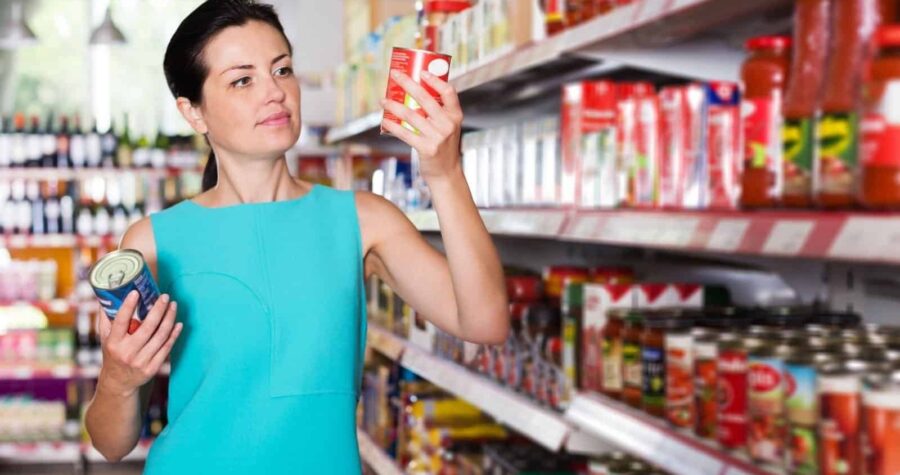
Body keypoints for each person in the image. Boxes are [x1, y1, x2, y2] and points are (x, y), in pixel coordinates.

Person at [83, 1, 508, 473]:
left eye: (282, 69)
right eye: (243, 79)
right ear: (193, 112)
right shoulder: (152, 245)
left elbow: (485, 322)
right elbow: (111, 444)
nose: (275, 92)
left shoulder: (364, 219)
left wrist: (446, 174)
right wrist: (118, 379)